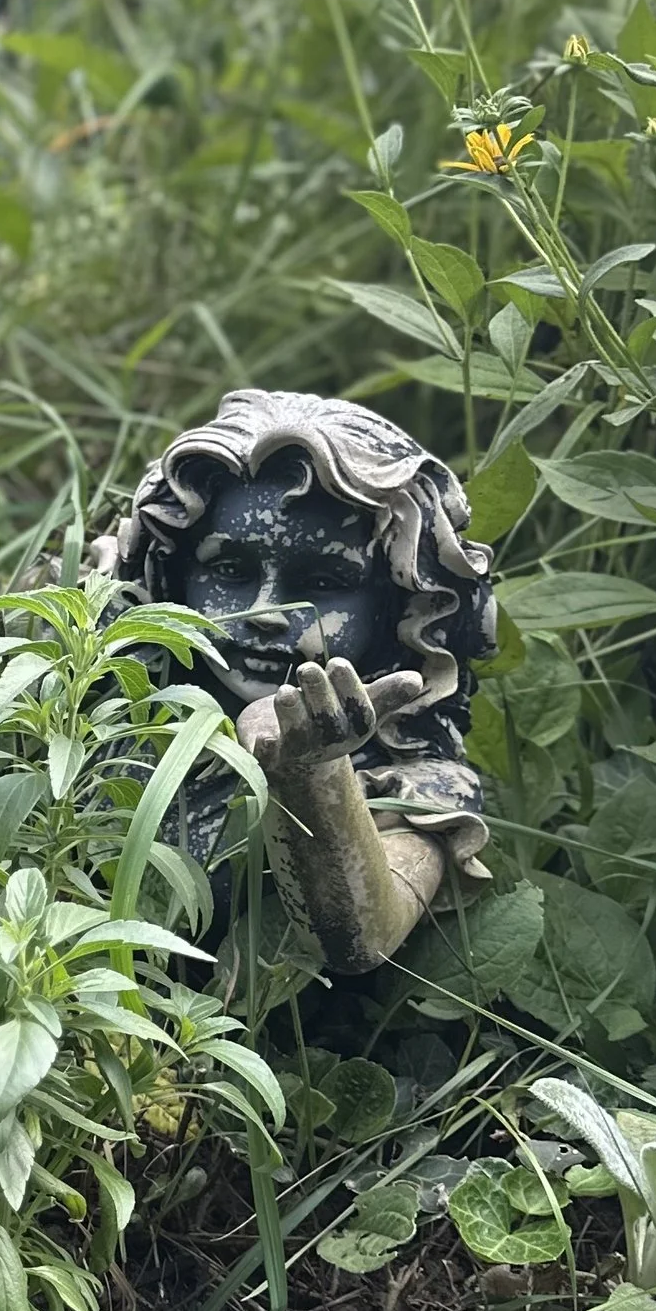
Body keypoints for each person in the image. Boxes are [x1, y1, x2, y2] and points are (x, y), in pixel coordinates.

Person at [94, 390, 497, 972]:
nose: (265, 612)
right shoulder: (102, 695)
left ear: (398, 607)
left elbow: (363, 940)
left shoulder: (419, 784)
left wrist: (310, 778)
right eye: (229, 571)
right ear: (176, 573)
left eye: (326, 580)